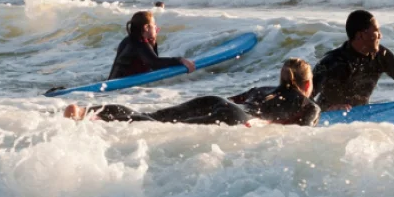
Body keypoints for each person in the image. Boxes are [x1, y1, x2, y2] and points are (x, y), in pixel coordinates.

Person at [64, 58, 320, 126]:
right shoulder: (310, 107)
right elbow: (303, 135)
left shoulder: (264, 89)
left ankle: (86, 111)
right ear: (307, 85)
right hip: (239, 119)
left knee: (150, 117)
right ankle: (85, 114)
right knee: (155, 125)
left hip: (215, 101)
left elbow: (232, 100)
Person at [312, 10, 394, 112]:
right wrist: (329, 109)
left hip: (362, 117)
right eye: (376, 31)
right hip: (327, 120)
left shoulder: (380, 56)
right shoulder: (332, 62)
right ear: (361, 35)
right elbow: (304, 96)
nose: (380, 36)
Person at [108, 11, 195, 80]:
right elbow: (155, 63)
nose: (156, 27)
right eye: (154, 25)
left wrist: (153, 43)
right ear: (146, 28)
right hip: (119, 88)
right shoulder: (139, 42)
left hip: (114, 83)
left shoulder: (129, 40)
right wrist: (180, 60)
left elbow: (151, 62)